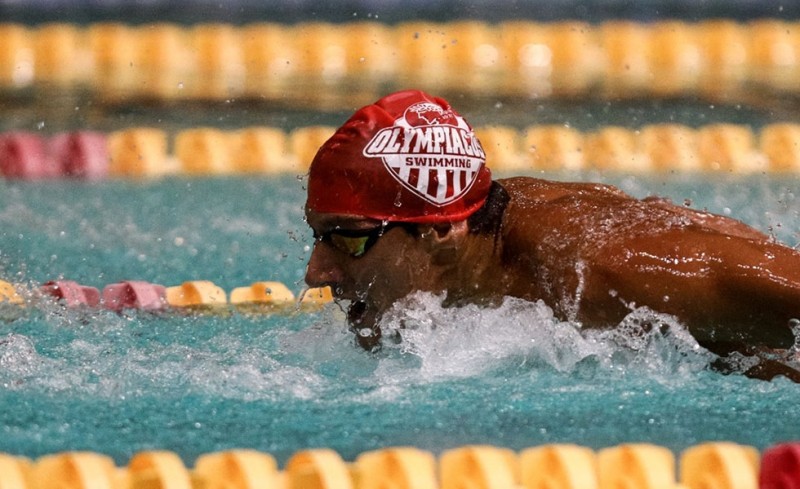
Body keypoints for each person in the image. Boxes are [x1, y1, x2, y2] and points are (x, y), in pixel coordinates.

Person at [304, 89, 800, 381]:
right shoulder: (484, 230)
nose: (316, 272)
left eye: (347, 238)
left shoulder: (605, 269)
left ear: (441, 231)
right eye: (316, 236)